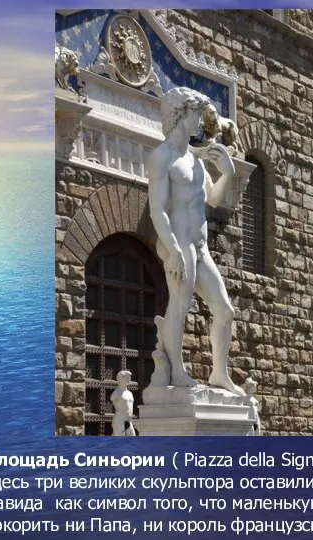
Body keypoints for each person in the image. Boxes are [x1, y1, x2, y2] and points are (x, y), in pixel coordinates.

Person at [147, 87, 244, 396]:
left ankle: (219, 373)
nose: (201, 123)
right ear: (180, 114)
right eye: (196, 116)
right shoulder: (162, 158)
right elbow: (157, 210)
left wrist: (227, 174)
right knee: (180, 306)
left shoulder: (196, 162)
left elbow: (212, 200)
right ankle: (177, 372)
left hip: (200, 248)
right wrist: (173, 251)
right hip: (180, 244)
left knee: (225, 311)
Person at [111, 370, 136, 436]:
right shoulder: (117, 392)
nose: (129, 380)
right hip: (120, 419)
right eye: (127, 378)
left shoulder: (129, 393)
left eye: (129, 378)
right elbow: (112, 399)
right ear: (121, 379)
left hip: (128, 420)